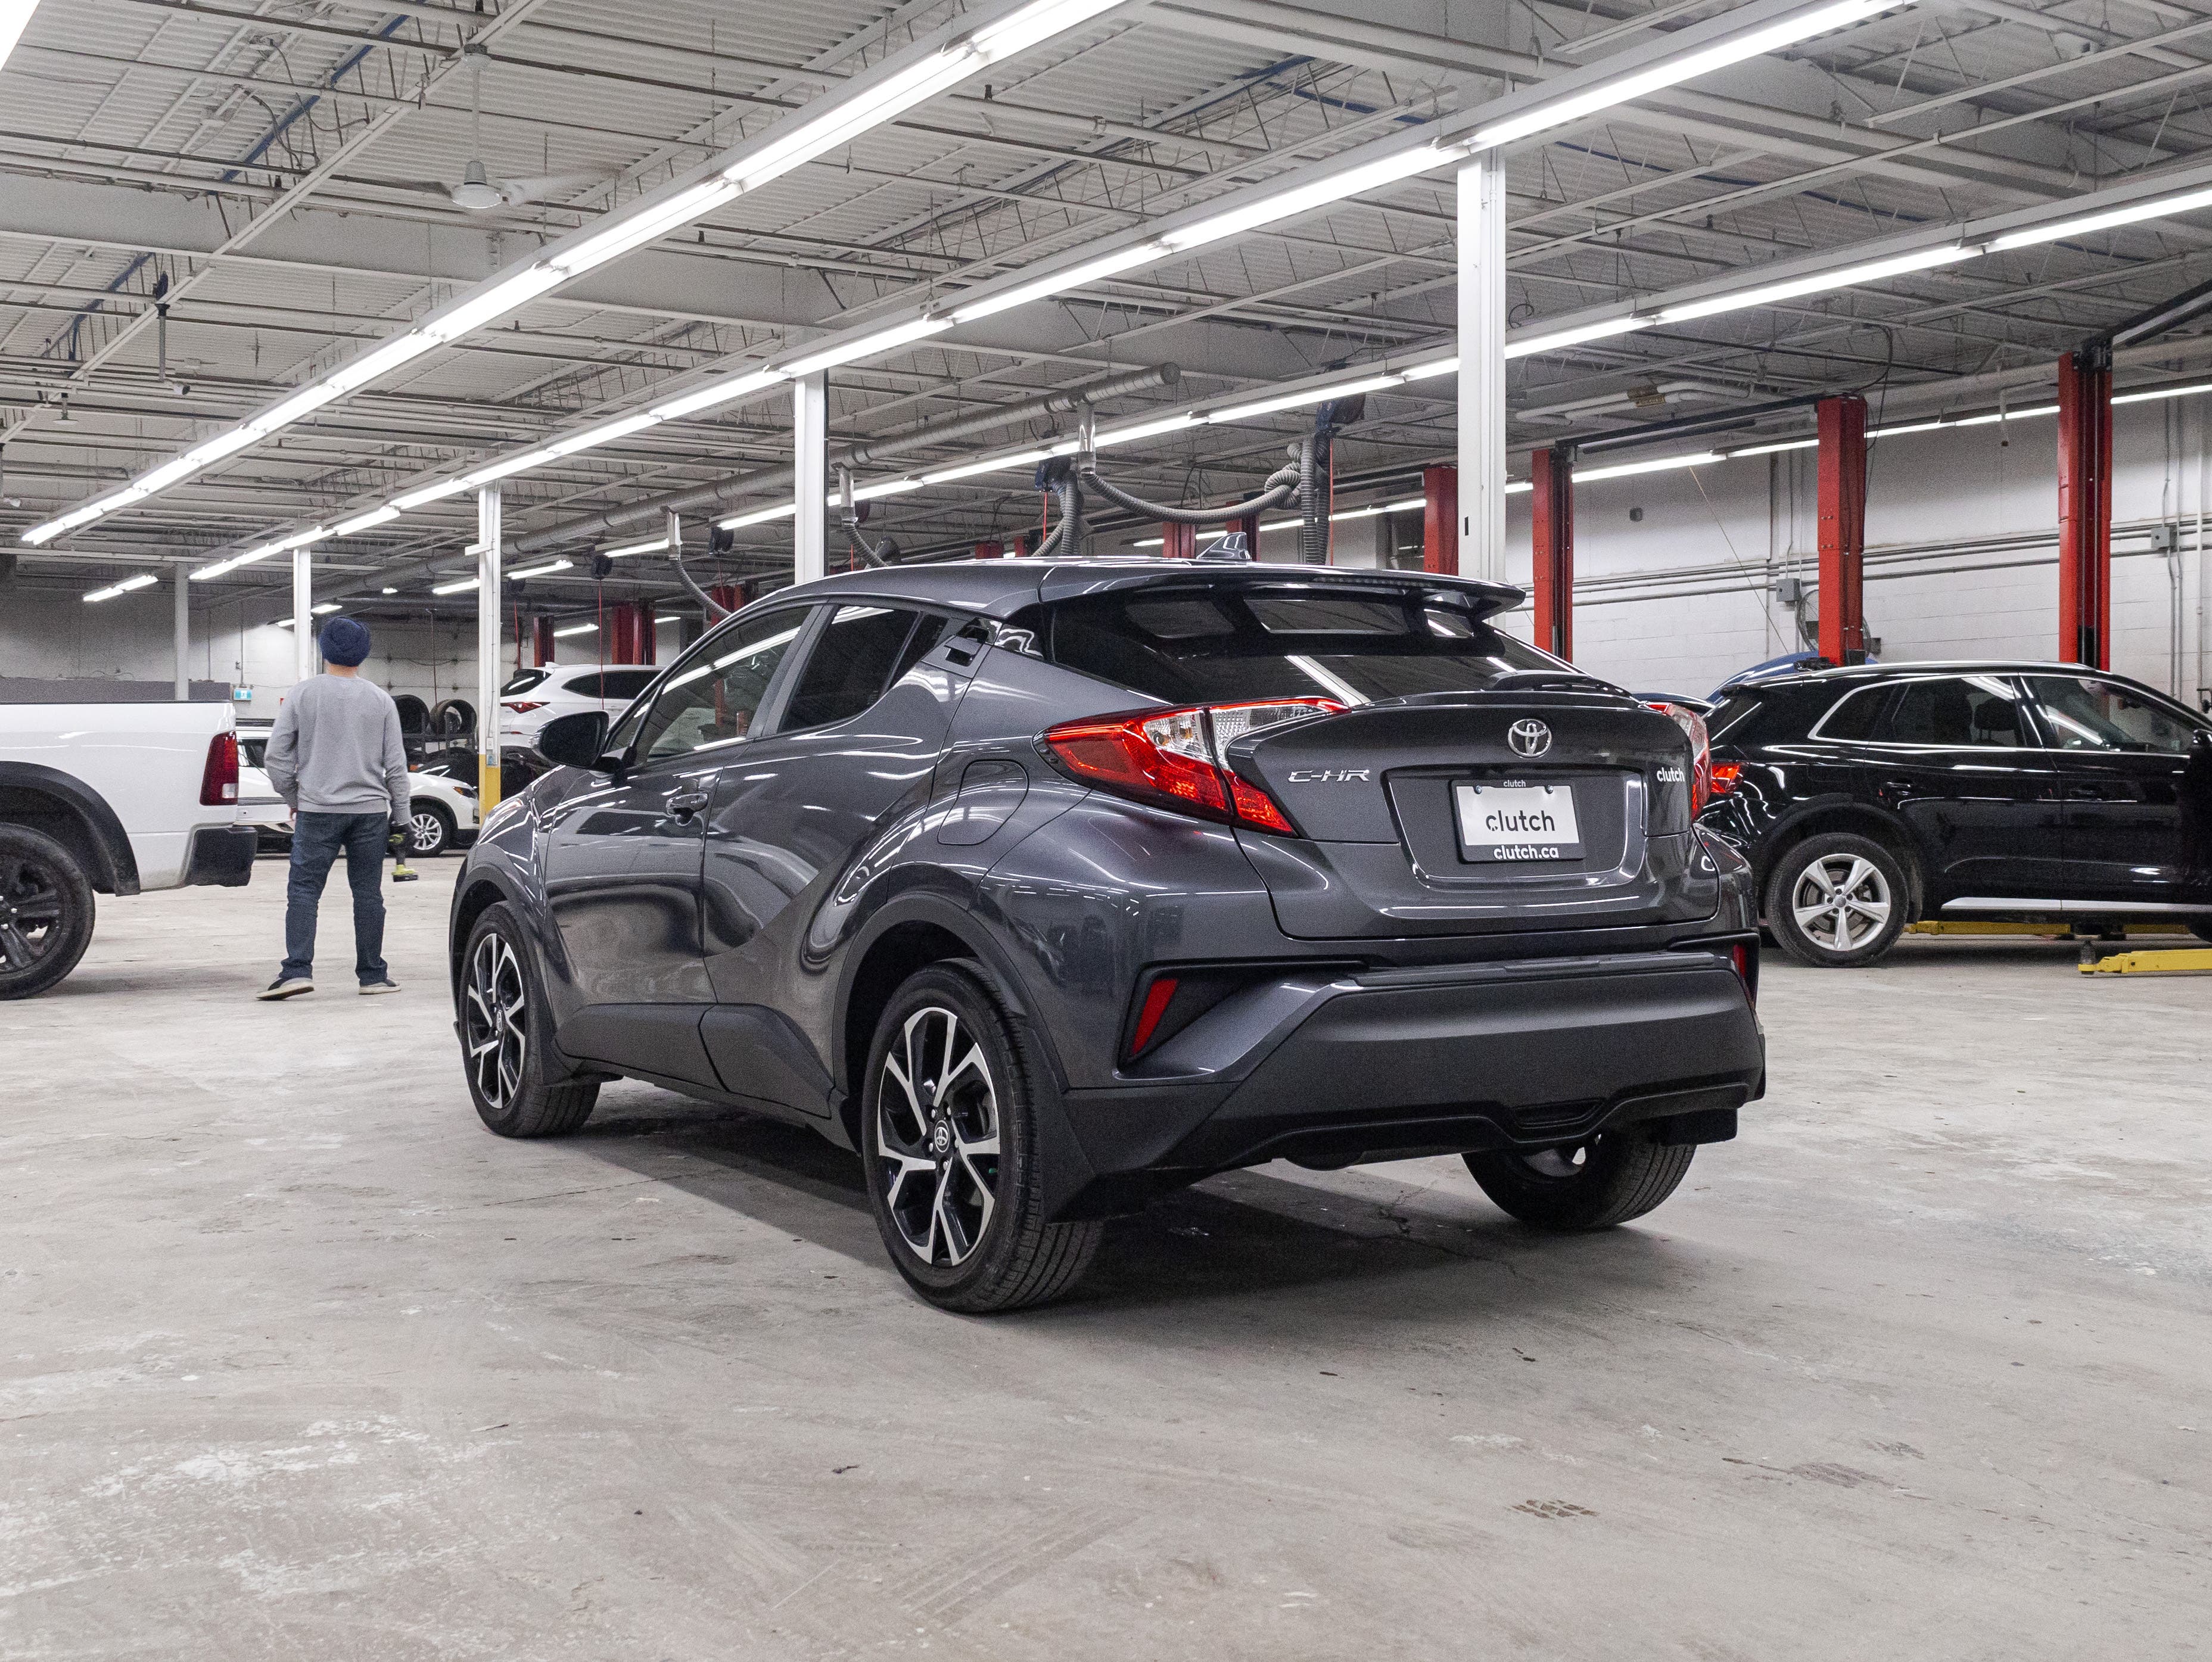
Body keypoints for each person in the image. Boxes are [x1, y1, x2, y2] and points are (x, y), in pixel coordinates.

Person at [259, 617, 409, 999]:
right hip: (370, 813)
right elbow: (396, 766)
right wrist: (403, 817)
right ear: (364, 653)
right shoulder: (381, 700)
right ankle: (372, 977)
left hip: (318, 811)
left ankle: (297, 971)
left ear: (323, 650)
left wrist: (295, 799)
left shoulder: (303, 694)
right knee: (368, 893)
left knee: (304, 890)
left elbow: (276, 757)